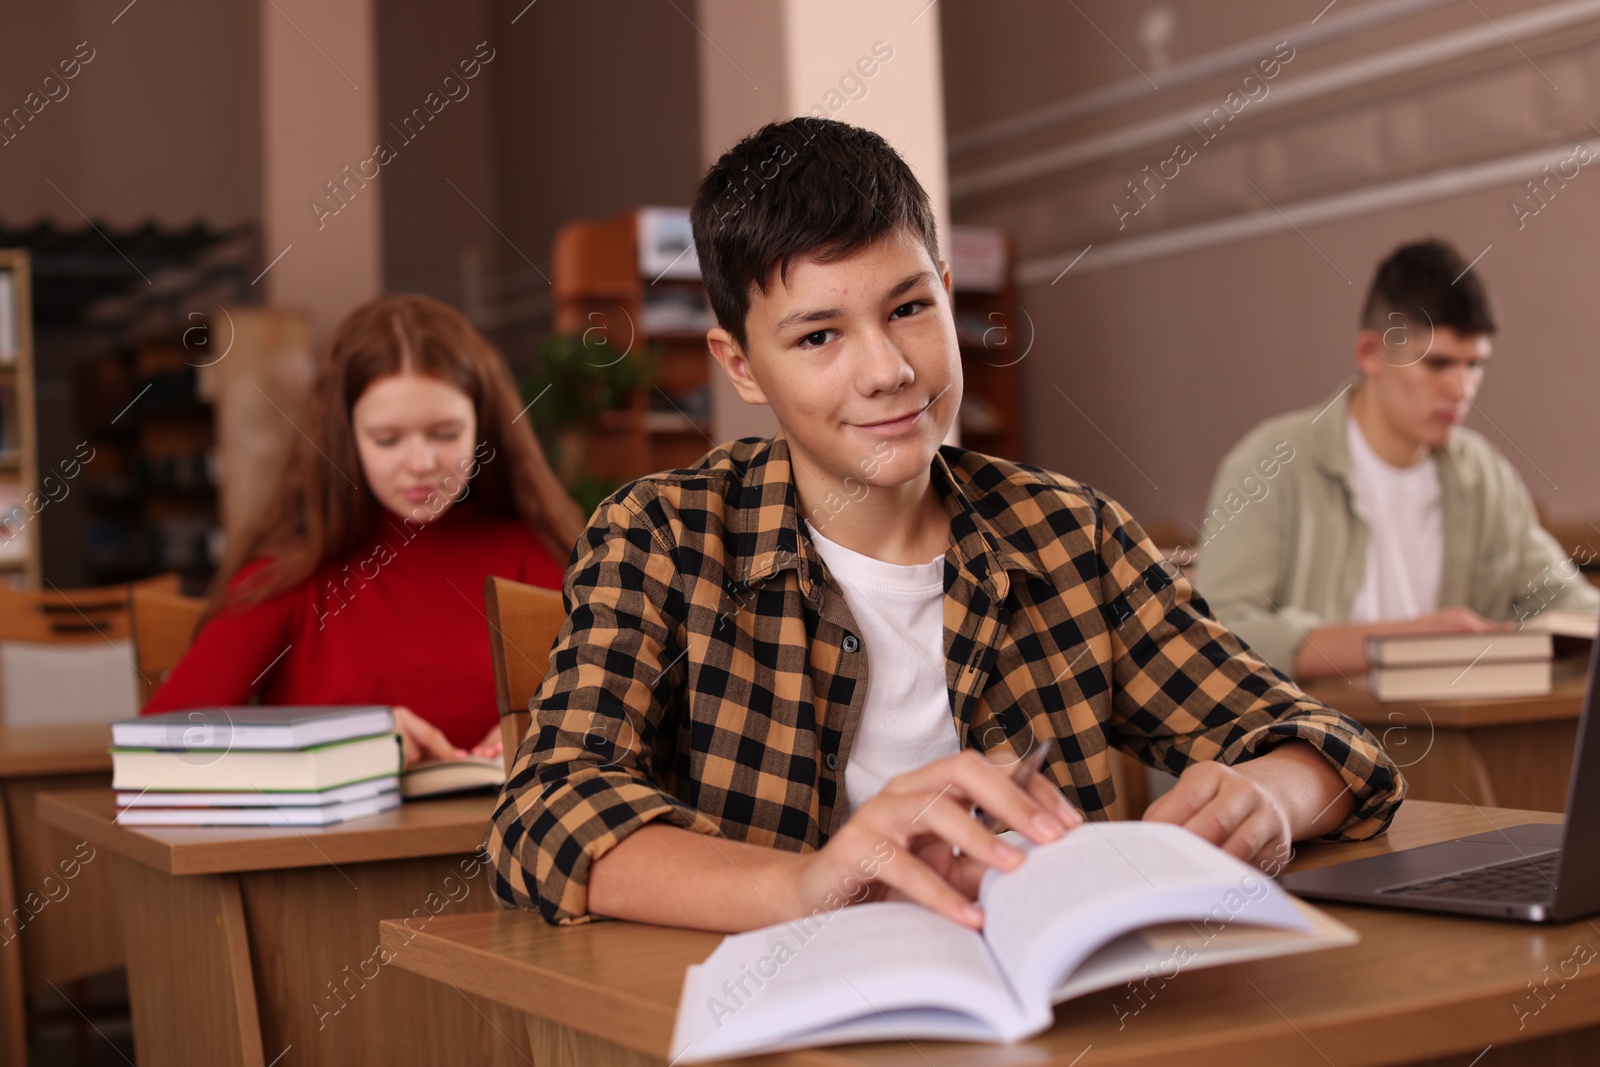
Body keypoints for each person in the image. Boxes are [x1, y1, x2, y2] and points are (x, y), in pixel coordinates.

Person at [485, 117, 1403, 932]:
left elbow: (1325, 744)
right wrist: (807, 884)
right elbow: (547, 810)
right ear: (740, 365)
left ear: (949, 295)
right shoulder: (660, 539)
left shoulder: (1070, 534)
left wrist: (1270, 798)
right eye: (817, 337)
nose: (886, 370)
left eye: (910, 309)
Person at [144, 295, 587, 765]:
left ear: (482, 428)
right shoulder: (290, 574)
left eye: (445, 433)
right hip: (337, 841)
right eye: (387, 439)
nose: (421, 464)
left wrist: (542, 728)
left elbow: (625, 717)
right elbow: (159, 747)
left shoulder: (533, 554)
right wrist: (350, 740)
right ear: (345, 438)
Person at [1192, 239, 1598, 681]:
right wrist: (1397, 643)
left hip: (1461, 733)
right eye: (1438, 364)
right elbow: (1216, 634)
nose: (1463, 389)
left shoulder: (1485, 472)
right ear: (1371, 353)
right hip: (1315, 735)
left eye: (1475, 364)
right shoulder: (1271, 463)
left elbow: (1567, 602)